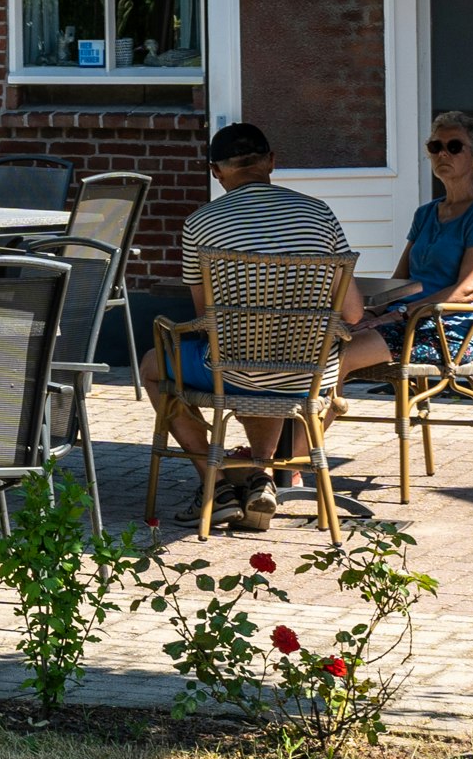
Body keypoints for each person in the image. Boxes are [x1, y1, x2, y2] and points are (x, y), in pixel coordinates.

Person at [145, 120, 389, 530]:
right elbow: (351, 315)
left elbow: (206, 317)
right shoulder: (318, 213)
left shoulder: (200, 223)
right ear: (271, 161)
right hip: (308, 376)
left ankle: (215, 484)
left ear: (215, 171)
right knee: (276, 355)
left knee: (155, 364)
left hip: (234, 372)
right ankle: (260, 475)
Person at [379, 111, 473, 346]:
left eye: (454, 147)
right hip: (401, 319)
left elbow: (469, 290)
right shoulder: (425, 213)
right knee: (321, 344)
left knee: (340, 356)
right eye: (435, 146)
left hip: (443, 329)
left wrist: (402, 313)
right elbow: (399, 282)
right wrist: (371, 313)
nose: (442, 153)